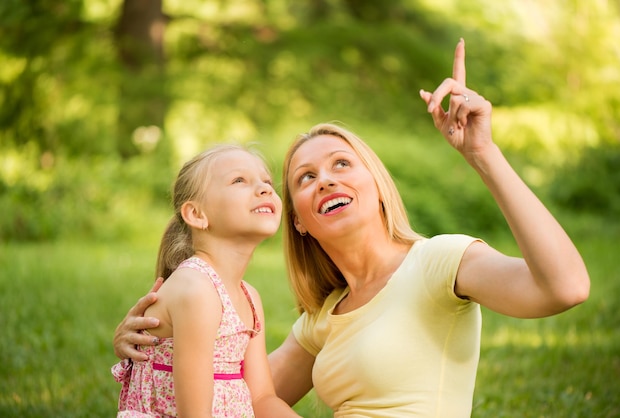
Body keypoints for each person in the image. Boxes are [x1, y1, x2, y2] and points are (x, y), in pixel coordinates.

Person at [113, 39, 590, 417]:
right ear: (297, 219)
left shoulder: (438, 261)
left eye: (342, 163)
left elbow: (565, 288)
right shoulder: (324, 316)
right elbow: (241, 396)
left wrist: (482, 155)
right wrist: (155, 345)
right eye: (306, 177)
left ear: (378, 186)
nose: (327, 179)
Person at [110, 144, 300, 417]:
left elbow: (261, 398)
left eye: (267, 182)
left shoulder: (249, 297)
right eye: (239, 180)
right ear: (196, 215)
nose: (265, 188)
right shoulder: (196, 289)